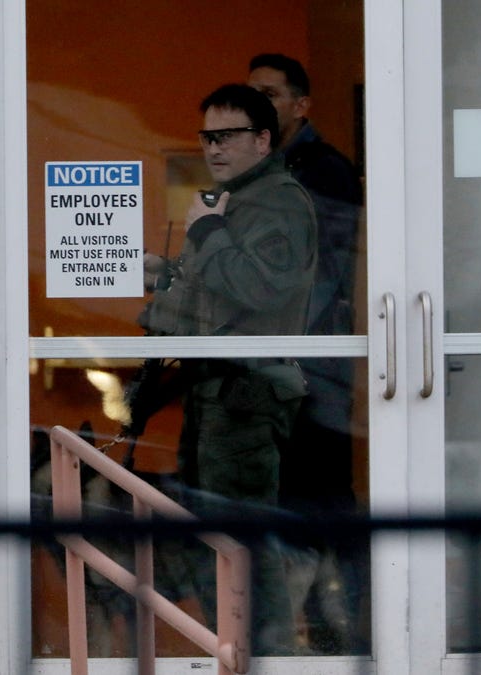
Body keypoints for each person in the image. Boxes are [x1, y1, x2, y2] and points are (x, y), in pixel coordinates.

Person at [140, 84, 317, 655]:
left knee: (238, 540)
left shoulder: (277, 201)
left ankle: (263, 657)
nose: (213, 148)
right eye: (206, 136)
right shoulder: (235, 200)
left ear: (263, 140)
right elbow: (221, 293)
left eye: (228, 136)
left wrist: (207, 232)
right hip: (218, 388)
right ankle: (240, 651)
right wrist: (167, 275)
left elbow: (261, 289)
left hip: (246, 391)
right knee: (215, 537)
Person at [248, 52, 366, 654]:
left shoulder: (323, 172)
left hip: (314, 366)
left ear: (301, 104)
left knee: (322, 499)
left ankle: (353, 633)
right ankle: (317, 634)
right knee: (294, 499)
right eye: (252, 93)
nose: (258, 104)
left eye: (269, 93)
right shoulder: (266, 169)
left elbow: (317, 274)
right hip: (284, 366)